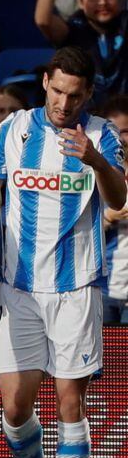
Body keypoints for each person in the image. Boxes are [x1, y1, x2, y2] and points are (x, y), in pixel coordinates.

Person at [0, 47, 126, 458]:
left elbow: (119, 199)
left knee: (70, 399)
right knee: (14, 408)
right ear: (45, 82)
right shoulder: (13, 130)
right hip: (19, 288)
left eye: (74, 96)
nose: (63, 103)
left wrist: (96, 160)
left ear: (87, 95)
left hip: (77, 286)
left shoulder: (102, 135)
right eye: (57, 91)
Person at [100, 95, 128, 324]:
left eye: (125, 131)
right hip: (104, 290)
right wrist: (108, 217)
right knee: (107, 360)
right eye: (114, 132)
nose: (120, 139)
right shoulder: (94, 175)